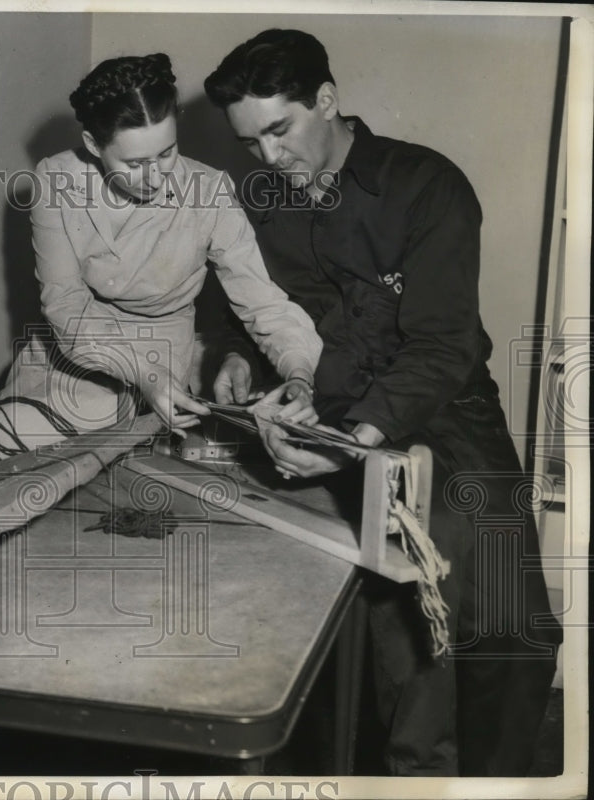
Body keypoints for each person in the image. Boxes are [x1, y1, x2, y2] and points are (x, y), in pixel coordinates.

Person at [204, 29, 561, 776]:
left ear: (326, 101)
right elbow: (235, 305)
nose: (268, 161)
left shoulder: (427, 185)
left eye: (280, 131)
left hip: (442, 409)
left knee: (508, 629)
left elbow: (442, 346)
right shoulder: (258, 198)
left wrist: (363, 433)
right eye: (251, 143)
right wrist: (233, 353)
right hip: (320, 416)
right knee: (383, 640)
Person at [11, 53, 322, 436]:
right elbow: (65, 303)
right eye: (135, 162)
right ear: (93, 144)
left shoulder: (210, 192)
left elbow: (262, 300)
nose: (155, 177)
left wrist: (299, 374)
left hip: (162, 358)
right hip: (68, 354)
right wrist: (142, 372)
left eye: (166, 153)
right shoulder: (56, 180)